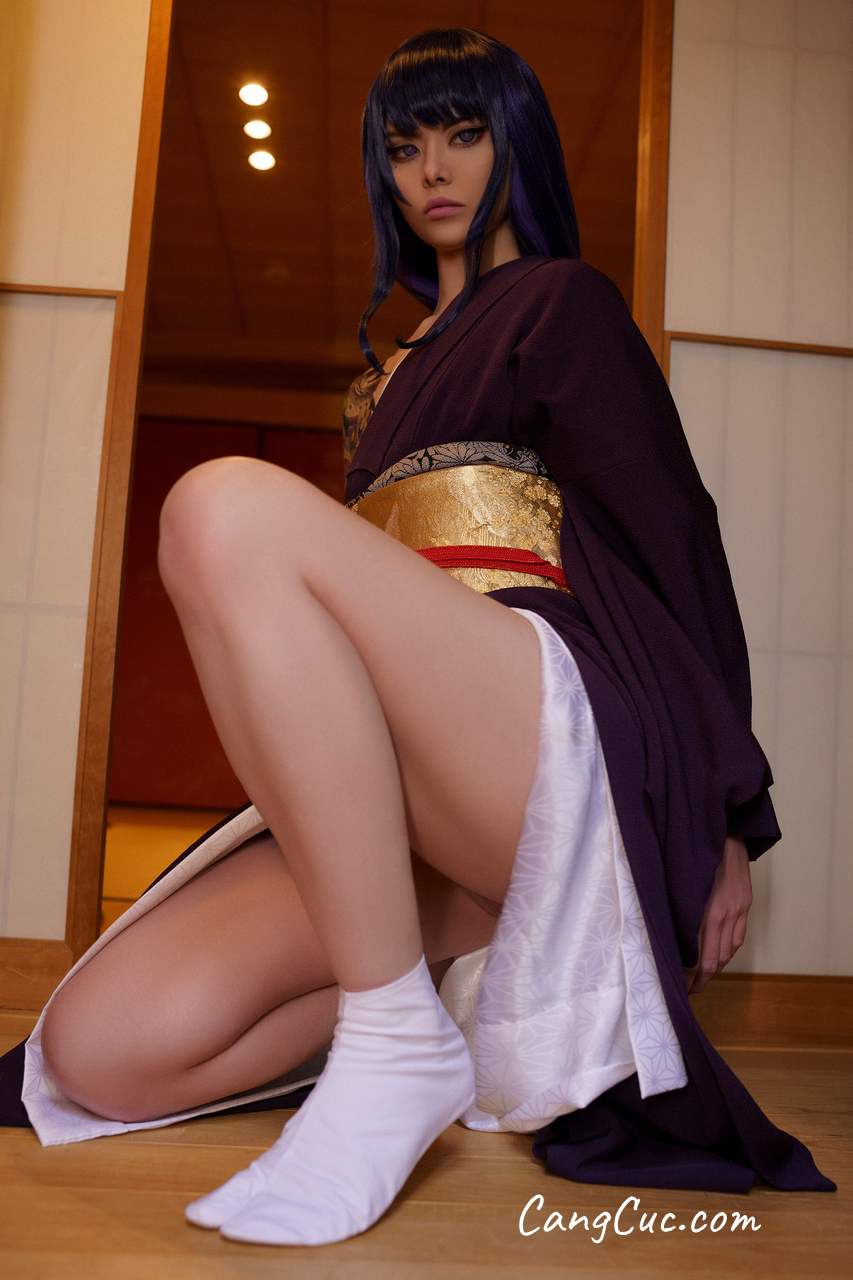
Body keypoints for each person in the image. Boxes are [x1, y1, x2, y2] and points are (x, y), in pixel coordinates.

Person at [1, 26, 833, 1248]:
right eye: (403, 146)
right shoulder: (380, 380)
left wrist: (727, 817)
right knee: (99, 1049)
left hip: (542, 736)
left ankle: (394, 1038)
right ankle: (431, 1004)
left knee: (217, 506)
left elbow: (677, 539)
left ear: (515, 144)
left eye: (463, 133)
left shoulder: (563, 301)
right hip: (415, 785)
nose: (432, 169)